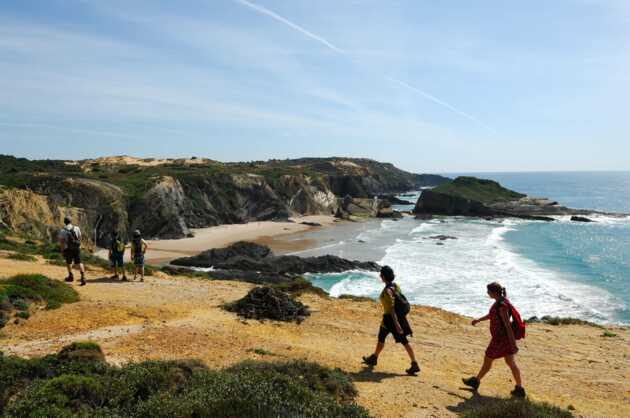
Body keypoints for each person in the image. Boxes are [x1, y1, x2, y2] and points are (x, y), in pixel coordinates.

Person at [462, 282, 525, 398]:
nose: (487, 293)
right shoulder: (500, 302)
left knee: (488, 359)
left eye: (488, 291)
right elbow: (491, 315)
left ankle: (476, 381)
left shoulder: (502, 306)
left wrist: (513, 344)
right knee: (510, 363)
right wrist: (478, 320)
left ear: (494, 292)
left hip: (500, 340)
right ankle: (519, 389)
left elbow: (507, 325)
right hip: (501, 339)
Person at [362, 265, 420, 375]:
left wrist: (396, 323)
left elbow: (392, 308)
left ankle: (414, 364)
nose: (379, 276)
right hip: (395, 319)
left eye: (381, 274)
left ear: (383, 276)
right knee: (384, 338)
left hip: (391, 320)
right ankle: (374, 358)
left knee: (398, 340)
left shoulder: (387, 291)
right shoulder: (396, 286)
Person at [58, 216, 86, 286]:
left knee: (69, 262)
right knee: (79, 262)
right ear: (71, 221)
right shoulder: (76, 228)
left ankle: (71, 276)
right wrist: (78, 245)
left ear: (64, 222)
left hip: (68, 249)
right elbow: (80, 237)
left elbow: (62, 242)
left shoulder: (63, 230)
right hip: (77, 248)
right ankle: (83, 277)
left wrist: (62, 251)